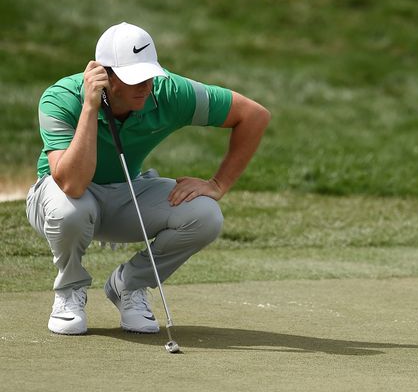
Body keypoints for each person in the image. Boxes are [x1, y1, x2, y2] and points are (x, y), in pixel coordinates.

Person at [25, 22, 271, 335]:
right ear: (105, 75)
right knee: (71, 208)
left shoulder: (168, 93)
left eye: (149, 75)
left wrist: (217, 184)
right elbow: (72, 184)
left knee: (205, 214)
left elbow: (254, 115)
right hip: (57, 200)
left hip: (125, 193)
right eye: (134, 78)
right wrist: (90, 107)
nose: (146, 86)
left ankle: (129, 285)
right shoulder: (61, 98)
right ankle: (69, 291)